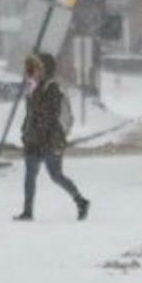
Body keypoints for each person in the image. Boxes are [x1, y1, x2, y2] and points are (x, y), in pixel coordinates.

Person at [16, 52, 89, 222]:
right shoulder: (32, 88)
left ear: (44, 69)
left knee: (56, 175)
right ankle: (27, 211)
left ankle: (80, 201)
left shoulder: (52, 88)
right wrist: (25, 131)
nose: (31, 72)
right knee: (29, 175)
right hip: (33, 139)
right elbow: (30, 114)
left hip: (50, 139)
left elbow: (51, 114)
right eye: (30, 69)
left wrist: (38, 127)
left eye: (35, 68)